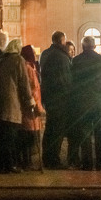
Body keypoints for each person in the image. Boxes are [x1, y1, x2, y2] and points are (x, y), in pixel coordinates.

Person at [0, 32, 33, 173]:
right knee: (9, 136)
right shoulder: (17, 60)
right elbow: (24, 83)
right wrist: (29, 101)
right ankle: (8, 165)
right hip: (11, 104)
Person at [70, 35, 101, 170]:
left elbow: (73, 82)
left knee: (85, 134)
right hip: (100, 102)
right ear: (94, 46)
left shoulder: (76, 61)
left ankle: (87, 163)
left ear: (82, 46)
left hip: (83, 103)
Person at [40, 30, 72, 169]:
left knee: (49, 128)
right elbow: (66, 79)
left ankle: (46, 157)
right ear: (62, 41)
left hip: (48, 96)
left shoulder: (45, 53)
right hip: (60, 98)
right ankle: (53, 159)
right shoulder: (61, 56)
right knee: (57, 130)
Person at [20, 44, 45, 169]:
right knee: (30, 135)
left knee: (27, 135)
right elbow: (34, 88)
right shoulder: (29, 68)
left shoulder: (27, 66)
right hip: (31, 107)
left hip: (27, 105)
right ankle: (27, 162)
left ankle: (26, 160)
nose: (35, 56)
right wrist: (39, 107)